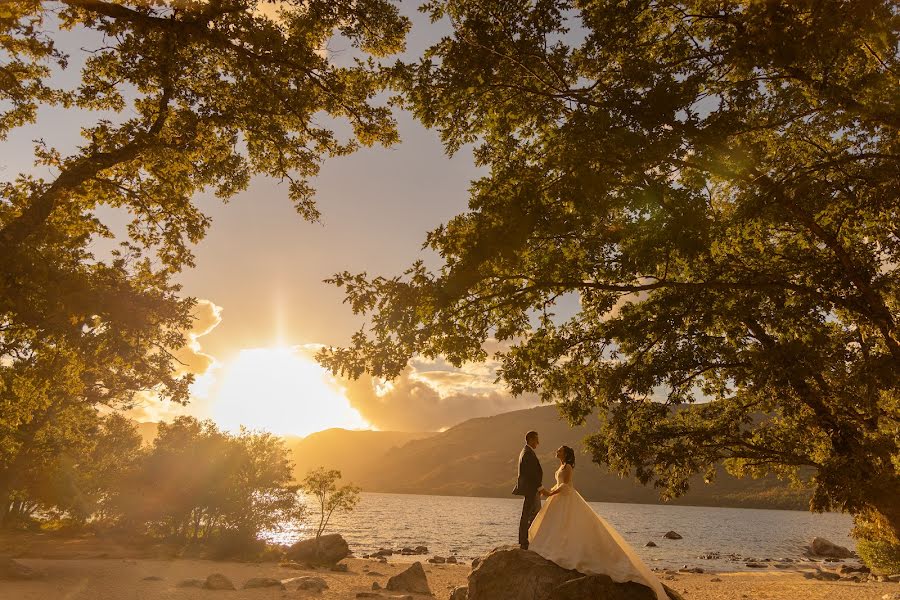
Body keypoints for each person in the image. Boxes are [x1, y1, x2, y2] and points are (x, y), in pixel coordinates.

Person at [528, 445, 669, 600]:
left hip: (566, 498)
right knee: (557, 525)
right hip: (559, 498)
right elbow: (559, 483)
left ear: (566, 453)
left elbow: (565, 485)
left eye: (560, 450)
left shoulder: (567, 466)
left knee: (568, 525)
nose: (557, 451)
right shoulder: (561, 466)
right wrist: (549, 491)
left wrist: (550, 493)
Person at [512, 430, 543, 549]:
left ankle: (528, 539)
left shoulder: (526, 451)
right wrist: (539, 487)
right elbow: (532, 473)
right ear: (531, 439)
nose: (538, 443)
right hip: (531, 489)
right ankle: (525, 541)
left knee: (531, 514)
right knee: (528, 514)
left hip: (531, 488)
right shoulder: (528, 453)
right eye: (536, 440)